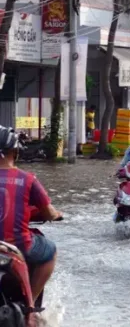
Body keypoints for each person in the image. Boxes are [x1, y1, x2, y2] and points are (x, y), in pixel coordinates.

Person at [0, 126, 63, 304]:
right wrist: (56, 215)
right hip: (19, 245)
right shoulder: (27, 179)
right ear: (15, 151)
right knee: (50, 251)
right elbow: (49, 212)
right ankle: (31, 304)